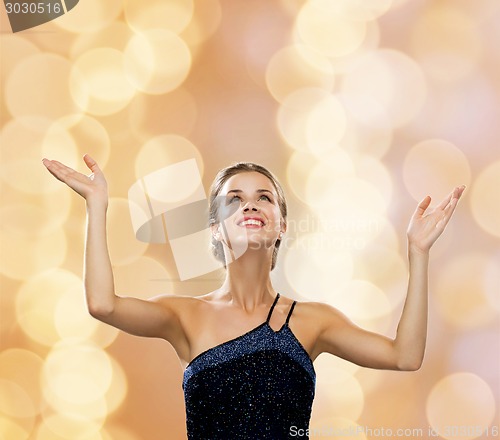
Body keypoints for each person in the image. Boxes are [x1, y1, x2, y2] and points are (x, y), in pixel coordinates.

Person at [42, 154, 465, 439]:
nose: (251, 206)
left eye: (264, 197)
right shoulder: (185, 315)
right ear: (215, 228)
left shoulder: (313, 321)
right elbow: (103, 304)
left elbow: (405, 356)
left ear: (281, 225)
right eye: (235, 199)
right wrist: (96, 205)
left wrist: (418, 253)